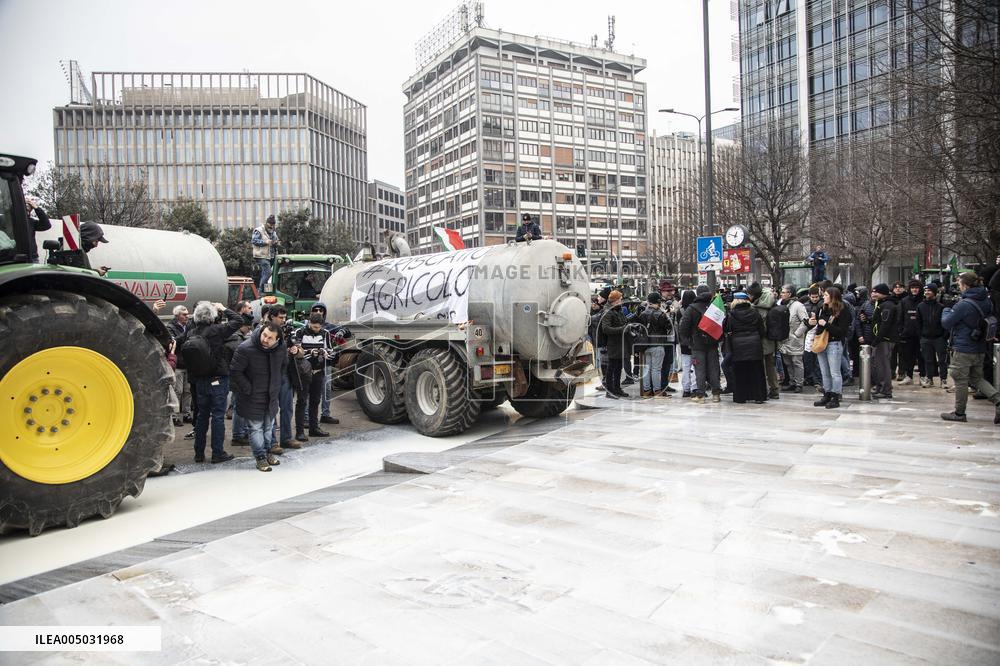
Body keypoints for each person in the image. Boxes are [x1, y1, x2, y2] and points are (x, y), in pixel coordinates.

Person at [183, 301, 243, 463]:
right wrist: (223, 308)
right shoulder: (217, 330)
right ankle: (217, 453)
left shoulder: (191, 332)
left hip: (199, 379)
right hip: (217, 378)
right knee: (217, 416)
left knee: (202, 416)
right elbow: (239, 320)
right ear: (212, 316)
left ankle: (199, 453)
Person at [940, 272, 1000, 424]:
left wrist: (946, 309)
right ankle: (998, 401)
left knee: (960, 380)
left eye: (960, 284)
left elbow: (946, 323)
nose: (959, 287)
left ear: (965, 286)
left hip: (963, 347)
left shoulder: (963, 304)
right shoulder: (987, 301)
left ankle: (959, 413)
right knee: (977, 378)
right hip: (979, 346)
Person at [230, 322, 286, 472]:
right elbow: (235, 371)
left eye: (270, 338)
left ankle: (267, 453)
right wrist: (248, 388)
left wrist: (277, 383)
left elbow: (283, 366)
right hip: (252, 397)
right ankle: (260, 457)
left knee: (268, 428)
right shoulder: (245, 348)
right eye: (264, 335)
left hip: (271, 396)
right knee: (255, 429)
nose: (265, 339)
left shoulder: (281, 348)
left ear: (277, 340)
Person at [292, 313, 336, 439]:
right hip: (303, 372)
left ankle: (314, 428)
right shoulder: (300, 332)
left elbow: (331, 351)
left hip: (318, 371)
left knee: (315, 400)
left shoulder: (325, 333)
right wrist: (310, 352)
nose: (317, 329)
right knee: (302, 401)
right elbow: (296, 352)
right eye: (314, 327)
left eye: (319, 327)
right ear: (309, 323)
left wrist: (325, 352)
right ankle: (300, 431)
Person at [678, 284, 723, 404]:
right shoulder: (714, 307)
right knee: (714, 368)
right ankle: (716, 394)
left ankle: (701, 395)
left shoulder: (692, 308)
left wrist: (689, 340)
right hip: (712, 343)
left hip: (697, 345)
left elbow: (683, 328)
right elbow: (722, 324)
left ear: (697, 294)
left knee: (699, 369)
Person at [724, 292, 768, 404]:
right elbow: (762, 330)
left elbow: (726, 329)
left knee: (739, 372)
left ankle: (740, 397)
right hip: (754, 344)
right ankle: (758, 396)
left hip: (737, 346)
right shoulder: (755, 313)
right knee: (756, 372)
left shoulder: (731, 314)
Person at [811, 287, 850, 409]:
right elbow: (819, 326)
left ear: (833, 297)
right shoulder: (823, 308)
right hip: (821, 343)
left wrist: (826, 325)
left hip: (834, 343)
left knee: (835, 372)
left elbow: (841, 331)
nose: (823, 297)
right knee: (824, 371)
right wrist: (812, 322)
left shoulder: (843, 310)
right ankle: (827, 394)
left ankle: (835, 396)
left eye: (826, 295)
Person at [860, 283, 899, 399]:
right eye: (873, 292)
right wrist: (868, 320)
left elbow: (885, 324)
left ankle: (886, 390)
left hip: (884, 339)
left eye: (876, 292)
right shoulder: (881, 304)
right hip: (880, 339)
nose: (873, 294)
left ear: (883, 293)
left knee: (883, 364)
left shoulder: (887, 306)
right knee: (877, 364)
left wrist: (877, 340)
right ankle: (880, 386)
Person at [309, 303, 344, 426]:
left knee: (327, 389)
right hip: (310, 364)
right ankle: (307, 417)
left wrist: (341, 331)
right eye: (316, 310)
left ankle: (325, 414)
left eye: (321, 310)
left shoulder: (329, 327)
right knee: (309, 391)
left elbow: (345, 330)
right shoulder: (305, 327)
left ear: (324, 312)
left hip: (325, 363)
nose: (318, 312)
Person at [635, 293, 672, 398]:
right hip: (658, 344)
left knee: (648, 368)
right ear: (658, 301)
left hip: (645, 345)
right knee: (656, 369)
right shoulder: (661, 314)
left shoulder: (643, 314)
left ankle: (646, 391)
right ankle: (657, 391)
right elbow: (669, 327)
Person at [747, 282, 781, 400]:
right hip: (771, 340)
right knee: (771, 366)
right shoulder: (770, 300)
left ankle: (763, 390)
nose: (748, 297)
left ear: (754, 295)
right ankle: (774, 390)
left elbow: (760, 326)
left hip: (761, 340)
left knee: (761, 367)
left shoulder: (759, 308)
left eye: (750, 294)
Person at [599, 290, 630, 399]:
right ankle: (610, 391)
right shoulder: (608, 311)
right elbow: (605, 329)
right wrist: (622, 329)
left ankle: (617, 388)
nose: (621, 301)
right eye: (620, 299)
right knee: (611, 368)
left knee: (618, 367)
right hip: (613, 343)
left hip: (620, 342)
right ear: (615, 300)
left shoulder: (617, 309)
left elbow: (623, 321)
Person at [916, 283, 948, 389]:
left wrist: (944, 335)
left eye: (929, 291)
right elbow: (918, 322)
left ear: (934, 292)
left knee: (942, 360)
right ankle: (929, 378)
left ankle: (943, 379)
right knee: (928, 360)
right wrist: (921, 336)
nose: (927, 293)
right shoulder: (921, 306)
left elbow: (945, 322)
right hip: (925, 337)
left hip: (939, 337)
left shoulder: (941, 306)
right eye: (925, 291)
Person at [166, 305, 194, 428]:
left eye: (187, 314)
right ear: (177, 316)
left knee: (188, 390)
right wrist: (186, 334)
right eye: (184, 314)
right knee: (178, 391)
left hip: (189, 363)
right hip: (178, 363)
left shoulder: (189, 326)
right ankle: (174, 415)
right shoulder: (170, 327)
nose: (187, 316)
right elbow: (173, 342)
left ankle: (187, 413)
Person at [779, 285, 808, 393]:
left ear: (790, 294)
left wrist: (797, 334)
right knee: (787, 362)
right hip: (784, 338)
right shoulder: (782, 304)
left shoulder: (798, 306)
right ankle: (792, 382)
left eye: (784, 292)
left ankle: (799, 383)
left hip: (795, 339)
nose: (781, 294)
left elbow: (805, 321)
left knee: (796, 361)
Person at [897, 279, 925, 385]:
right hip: (907, 334)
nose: (914, 290)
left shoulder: (923, 301)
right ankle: (908, 376)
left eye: (916, 288)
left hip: (921, 334)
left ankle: (923, 376)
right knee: (908, 356)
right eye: (913, 288)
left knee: (921, 356)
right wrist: (901, 331)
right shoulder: (904, 301)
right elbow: (900, 317)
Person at [675, 289, 698, 397]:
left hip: (684, 342)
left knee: (686, 367)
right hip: (695, 342)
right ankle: (694, 388)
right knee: (695, 366)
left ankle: (686, 389)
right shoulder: (696, 310)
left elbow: (677, 326)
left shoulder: (679, 311)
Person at [252, 215, 280, 292]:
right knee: (268, 273)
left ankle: (267, 291)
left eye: (273, 225)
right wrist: (265, 242)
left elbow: (276, 240)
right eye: (270, 224)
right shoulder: (259, 230)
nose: (271, 226)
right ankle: (260, 291)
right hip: (261, 255)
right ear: (267, 223)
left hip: (271, 256)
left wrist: (276, 243)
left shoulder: (273, 232)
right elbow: (254, 241)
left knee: (267, 274)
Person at [24, 197, 52, 263]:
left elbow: (46, 225)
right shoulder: (10, 220)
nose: (27, 205)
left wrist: (36, 208)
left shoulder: (31, 222)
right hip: (13, 258)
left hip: (32, 257)